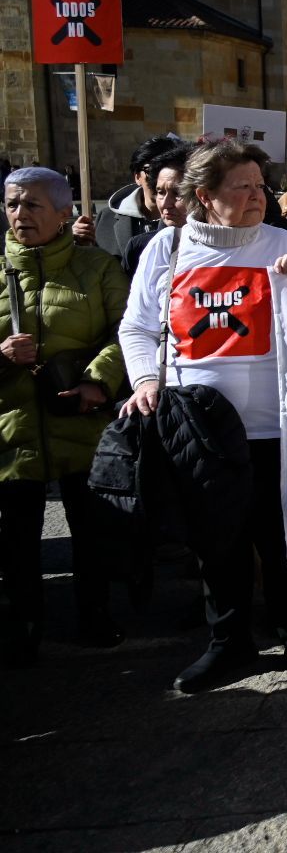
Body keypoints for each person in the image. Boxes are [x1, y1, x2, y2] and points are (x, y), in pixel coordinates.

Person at [119, 141, 287, 692]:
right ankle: (228, 644)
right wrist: (145, 379)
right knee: (218, 542)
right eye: (244, 187)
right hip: (202, 432)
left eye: (261, 186)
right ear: (206, 197)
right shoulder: (167, 249)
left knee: (281, 538)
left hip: (276, 426)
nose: (259, 196)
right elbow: (137, 328)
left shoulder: (280, 242)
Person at [0, 168, 128, 666]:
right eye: (12, 205)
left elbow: (127, 330)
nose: (20, 215)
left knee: (91, 531)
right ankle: (25, 621)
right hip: (14, 431)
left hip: (80, 421)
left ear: (62, 213)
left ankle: (94, 613)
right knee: (16, 537)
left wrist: (99, 380)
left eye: (32, 205)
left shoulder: (96, 268)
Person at [91, 136, 177, 256]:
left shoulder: (190, 221)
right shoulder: (106, 218)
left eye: (166, 170)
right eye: (152, 171)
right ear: (137, 177)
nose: (159, 179)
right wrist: (78, 242)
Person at [120, 146, 192, 276]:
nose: (165, 203)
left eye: (177, 193)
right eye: (160, 192)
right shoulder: (139, 247)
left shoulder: (221, 247)